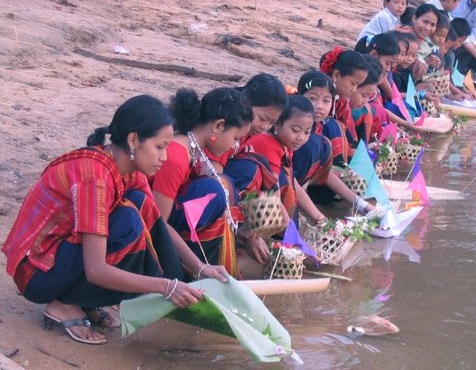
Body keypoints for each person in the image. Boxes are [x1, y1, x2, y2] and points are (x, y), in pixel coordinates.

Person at [2, 95, 227, 345]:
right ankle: (64, 304)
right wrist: (165, 286)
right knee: (130, 221)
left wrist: (199, 268)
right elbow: (96, 269)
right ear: (133, 140)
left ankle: (84, 300)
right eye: (160, 147)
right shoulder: (96, 178)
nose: (164, 157)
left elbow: (159, 224)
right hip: (37, 273)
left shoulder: (129, 171)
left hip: (62, 255)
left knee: (143, 216)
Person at [151, 88, 253, 277]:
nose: (234, 146)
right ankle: (190, 266)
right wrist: (197, 265)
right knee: (215, 191)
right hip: (151, 223)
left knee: (224, 185)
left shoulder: (192, 147)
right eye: (235, 138)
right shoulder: (176, 156)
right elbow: (158, 222)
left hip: (167, 217)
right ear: (218, 126)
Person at [294, 70, 374, 212]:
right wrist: (320, 219)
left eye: (326, 101)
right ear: (299, 97)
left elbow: (325, 172)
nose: (319, 106)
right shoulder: (292, 126)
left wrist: (361, 204)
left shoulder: (318, 130)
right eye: (312, 99)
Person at [241, 95, 323, 229]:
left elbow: (294, 183)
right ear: (277, 124)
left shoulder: (285, 145)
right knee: (282, 177)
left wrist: (319, 218)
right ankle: (249, 232)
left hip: (264, 196)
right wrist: (288, 226)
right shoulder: (267, 142)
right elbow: (273, 192)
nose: (301, 138)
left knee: (287, 177)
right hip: (245, 196)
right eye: (295, 130)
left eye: (307, 132)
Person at [319, 48, 368, 165]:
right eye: (353, 83)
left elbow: (350, 134)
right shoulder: (317, 98)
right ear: (336, 75)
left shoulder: (342, 102)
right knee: (334, 125)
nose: (354, 90)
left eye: (357, 85)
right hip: (316, 152)